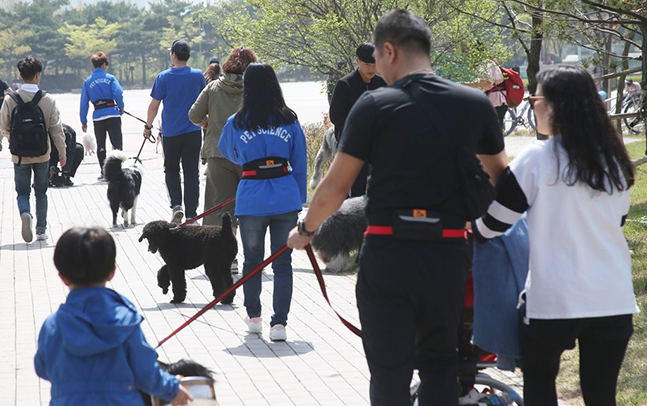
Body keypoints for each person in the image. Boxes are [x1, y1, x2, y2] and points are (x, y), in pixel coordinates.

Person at [287, 10, 506, 406]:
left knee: (388, 372)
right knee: (440, 364)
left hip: (389, 252)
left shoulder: (374, 106)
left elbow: (334, 186)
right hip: (448, 253)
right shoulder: (474, 104)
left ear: (389, 50)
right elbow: (502, 182)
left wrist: (305, 231)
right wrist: (490, 232)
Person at [473, 64, 638, 406]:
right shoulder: (616, 160)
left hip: (554, 301)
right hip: (614, 297)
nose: (532, 105)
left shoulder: (536, 157)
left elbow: (494, 225)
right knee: (601, 395)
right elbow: (618, 222)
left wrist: (470, 228)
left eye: (535, 97)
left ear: (553, 105)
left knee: (540, 387)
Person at [34, 227, 193, 406]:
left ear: (62, 277)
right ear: (112, 272)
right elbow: (146, 374)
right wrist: (173, 388)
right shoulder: (125, 321)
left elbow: (42, 368)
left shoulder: (53, 326)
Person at [219, 62, 307, 342]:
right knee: (283, 263)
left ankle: (254, 317)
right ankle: (279, 324)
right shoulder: (289, 120)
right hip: (284, 195)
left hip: (251, 197)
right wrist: (301, 199)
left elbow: (229, 153)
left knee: (252, 261)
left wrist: (251, 159)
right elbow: (300, 162)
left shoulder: (237, 122)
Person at [189, 47, 258, 231]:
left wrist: (206, 123)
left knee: (220, 209)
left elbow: (194, 115)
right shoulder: (256, 89)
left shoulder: (213, 87)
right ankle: (252, 256)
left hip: (218, 154)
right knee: (250, 208)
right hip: (250, 156)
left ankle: (227, 255)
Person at [0, 56, 67, 243]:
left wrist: (10, 137)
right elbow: (56, 129)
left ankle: (25, 213)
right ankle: (41, 230)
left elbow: (3, 124)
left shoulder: (10, 99)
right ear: (38, 75)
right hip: (42, 154)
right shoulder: (48, 99)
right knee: (41, 192)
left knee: (22, 192)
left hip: (19, 156)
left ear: (20, 75)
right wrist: (62, 151)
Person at [144, 40, 206, 224]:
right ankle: (191, 214)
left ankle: (176, 206)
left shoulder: (163, 77)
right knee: (191, 173)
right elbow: (205, 102)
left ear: (173, 55)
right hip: (193, 132)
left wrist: (148, 127)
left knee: (171, 169)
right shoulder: (197, 76)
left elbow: (154, 107)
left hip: (171, 134)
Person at [329, 42, 387, 197]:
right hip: (352, 146)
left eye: (374, 64)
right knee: (355, 191)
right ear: (357, 61)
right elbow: (336, 115)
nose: (371, 69)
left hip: (376, 146)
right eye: (367, 64)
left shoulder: (382, 84)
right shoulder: (345, 84)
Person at [80, 52, 125, 180]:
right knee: (116, 143)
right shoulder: (110, 78)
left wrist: (83, 121)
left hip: (98, 116)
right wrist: (121, 107)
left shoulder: (88, 82)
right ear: (105, 64)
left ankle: (104, 172)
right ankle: (117, 170)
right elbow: (118, 93)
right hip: (112, 113)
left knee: (101, 145)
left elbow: (84, 103)